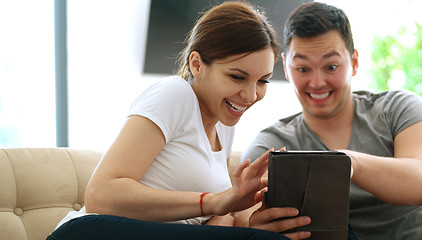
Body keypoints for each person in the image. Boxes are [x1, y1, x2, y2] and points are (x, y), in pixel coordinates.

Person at [47, 1, 311, 240]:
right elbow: (100, 196)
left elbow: (205, 218)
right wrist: (215, 203)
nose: (251, 95)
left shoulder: (223, 124)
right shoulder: (176, 93)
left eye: (262, 80)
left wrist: (233, 216)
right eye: (237, 77)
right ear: (196, 64)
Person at [241, 2, 422, 240]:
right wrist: (255, 229)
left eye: (331, 66)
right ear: (287, 68)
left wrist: (347, 162)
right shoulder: (272, 143)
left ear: (354, 62)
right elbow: (242, 215)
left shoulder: (399, 107)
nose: (317, 82)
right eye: (303, 69)